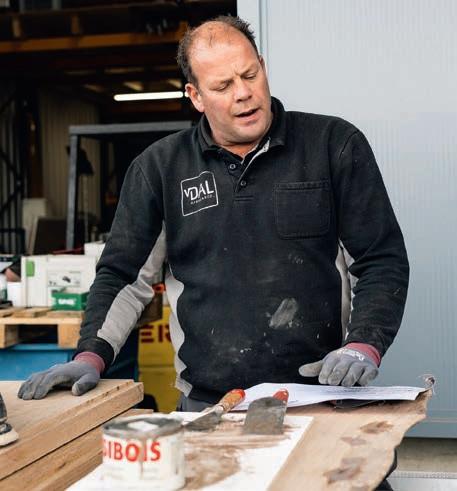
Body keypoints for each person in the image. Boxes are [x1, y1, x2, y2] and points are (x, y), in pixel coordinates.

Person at [18, 16, 408, 407]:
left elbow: (379, 259)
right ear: (196, 96)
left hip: (321, 395)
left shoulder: (333, 145)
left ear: (263, 67)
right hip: (208, 405)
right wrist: (91, 355)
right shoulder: (160, 169)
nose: (244, 93)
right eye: (223, 86)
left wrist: (364, 345)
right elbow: (123, 276)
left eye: (250, 75)